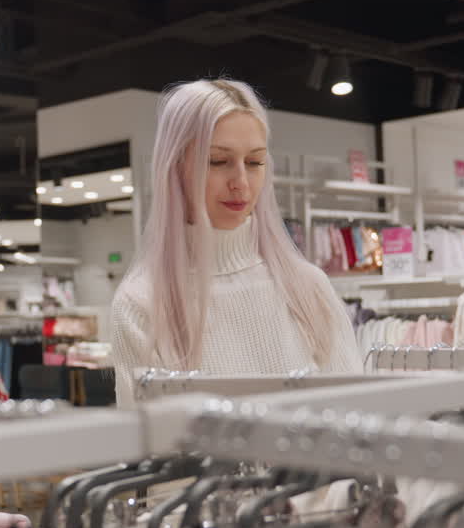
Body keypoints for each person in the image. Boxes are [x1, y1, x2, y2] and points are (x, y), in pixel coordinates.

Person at [111, 78, 362, 408]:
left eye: (255, 162)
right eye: (217, 161)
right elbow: (153, 448)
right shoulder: (142, 304)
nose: (241, 183)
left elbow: (354, 421)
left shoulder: (307, 287)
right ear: (174, 167)